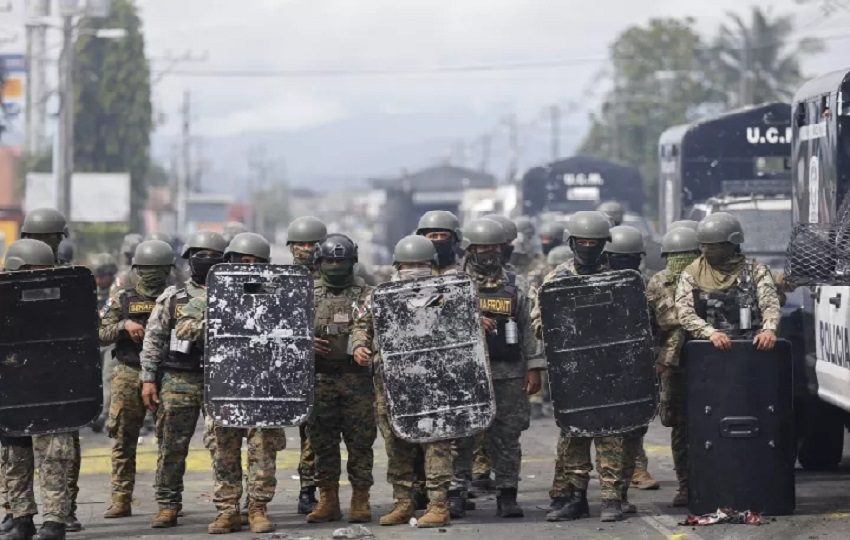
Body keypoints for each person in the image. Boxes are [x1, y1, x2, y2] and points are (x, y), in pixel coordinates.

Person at [176, 232, 285, 535]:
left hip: (263, 384)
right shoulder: (213, 293)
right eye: (243, 260)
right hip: (224, 384)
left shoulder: (276, 291)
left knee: (263, 451)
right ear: (230, 261)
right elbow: (183, 328)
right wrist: (219, 320)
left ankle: (258, 508)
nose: (249, 267)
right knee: (223, 451)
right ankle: (227, 511)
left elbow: (294, 325)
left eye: (256, 262)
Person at [350, 235, 453, 528]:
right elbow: (361, 325)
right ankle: (403, 503)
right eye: (408, 265)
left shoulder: (446, 293)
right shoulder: (380, 295)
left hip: (434, 382)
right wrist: (359, 346)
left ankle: (438, 505)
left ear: (432, 265)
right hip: (391, 384)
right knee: (396, 445)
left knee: (436, 443)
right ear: (398, 266)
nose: (414, 270)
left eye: (421, 265)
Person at [533, 211, 626, 523]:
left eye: (594, 242)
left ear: (604, 243)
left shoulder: (618, 277)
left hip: (610, 367)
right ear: (572, 243)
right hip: (572, 369)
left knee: (610, 434)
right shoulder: (556, 279)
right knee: (574, 435)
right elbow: (538, 321)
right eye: (582, 241)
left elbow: (634, 319)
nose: (588, 247)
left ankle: (612, 498)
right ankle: (576, 497)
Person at [450, 218, 544, 519]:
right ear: (470, 249)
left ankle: (507, 493)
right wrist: (471, 320)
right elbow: (439, 325)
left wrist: (534, 367)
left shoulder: (516, 284)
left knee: (507, 435)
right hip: (465, 373)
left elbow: (529, 328)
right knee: (461, 435)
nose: (489, 254)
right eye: (482, 248)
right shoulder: (453, 284)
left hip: (508, 372)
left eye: (494, 247)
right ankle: (456, 492)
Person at [138, 231, 228, 528]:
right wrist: (148, 379)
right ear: (189, 259)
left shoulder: (234, 295)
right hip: (179, 379)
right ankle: (168, 504)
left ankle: (227, 506)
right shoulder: (173, 298)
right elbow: (153, 339)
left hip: (220, 380)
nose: (206, 260)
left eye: (213, 256)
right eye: (200, 255)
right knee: (171, 445)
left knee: (223, 447)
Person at [0, 238, 76, 540]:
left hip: (51, 392)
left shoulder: (64, 298)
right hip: (12, 394)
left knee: (54, 460)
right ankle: (22, 520)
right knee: (15, 461)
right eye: (35, 270)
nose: (41, 277)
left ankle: (55, 522)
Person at [18, 208, 83, 533]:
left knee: (57, 454)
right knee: (17, 456)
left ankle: (58, 515)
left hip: (54, 381)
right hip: (18, 383)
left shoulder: (69, 281)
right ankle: (19, 515)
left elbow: (83, 335)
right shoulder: (9, 284)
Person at [99, 240, 175, 520]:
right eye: (146, 269)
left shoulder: (176, 298)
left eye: (157, 269)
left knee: (169, 441)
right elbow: (99, 333)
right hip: (128, 372)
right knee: (123, 438)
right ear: (136, 270)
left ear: (168, 270)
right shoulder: (123, 298)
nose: (151, 274)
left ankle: (167, 500)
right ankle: (121, 498)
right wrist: (123, 325)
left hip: (167, 374)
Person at [304, 235, 376, 524]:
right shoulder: (306, 293)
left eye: (341, 261)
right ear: (319, 262)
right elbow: (288, 329)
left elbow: (366, 324)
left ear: (352, 262)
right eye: (329, 261)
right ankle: (328, 500)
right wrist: (305, 342)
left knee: (360, 443)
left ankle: (360, 498)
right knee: (322, 443)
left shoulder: (366, 293)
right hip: (320, 378)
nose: (335, 266)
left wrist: (361, 347)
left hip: (356, 379)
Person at [599, 225, 656, 513]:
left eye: (630, 259)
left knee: (632, 431)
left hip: (635, 368)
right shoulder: (595, 285)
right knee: (609, 432)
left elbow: (661, 324)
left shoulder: (645, 287)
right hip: (603, 368)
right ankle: (610, 497)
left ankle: (617, 495)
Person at [647, 226, 701, 507]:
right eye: (676, 256)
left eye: (688, 255)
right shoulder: (658, 282)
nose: (681, 262)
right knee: (679, 426)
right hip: (673, 367)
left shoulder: (709, 278)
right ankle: (686, 485)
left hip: (708, 362)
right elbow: (654, 323)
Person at [675, 212, 780, 353]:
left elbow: (769, 303)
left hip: (750, 347)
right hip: (707, 348)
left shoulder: (755, 270)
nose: (708, 251)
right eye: (705, 246)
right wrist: (710, 333)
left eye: (715, 246)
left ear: (732, 245)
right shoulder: (692, 273)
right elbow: (685, 312)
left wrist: (769, 329)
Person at [285, 216, 327, 514]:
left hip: (334, 365)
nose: (306, 249)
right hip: (298, 368)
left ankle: (331, 492)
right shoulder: (282, 279)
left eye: (312, 244)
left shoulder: (339, 275)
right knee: (309, 433)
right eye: (300, 244)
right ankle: (307, 489)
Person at [89, 253, 120, 434]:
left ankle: (104, 414)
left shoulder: (118, 290)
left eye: (102, 276)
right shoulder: (89, 290)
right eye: (97, 276)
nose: (99, 280)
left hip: (110, 341)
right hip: (92, 341)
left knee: (108, 377)